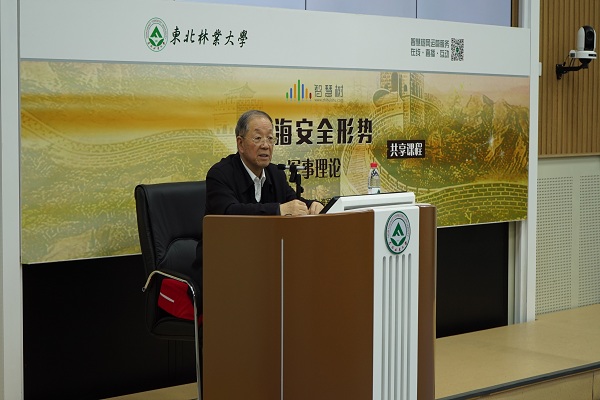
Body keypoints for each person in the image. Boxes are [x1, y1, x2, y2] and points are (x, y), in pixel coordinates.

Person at [204, 109, 324, 216]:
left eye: (270, 138)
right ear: (241, 144)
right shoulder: (220, 174)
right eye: (258, 138)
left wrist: (312, 205)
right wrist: (278, 210)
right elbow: (229, 212)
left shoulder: (276, 173)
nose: (266, 145)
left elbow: (292, 202)